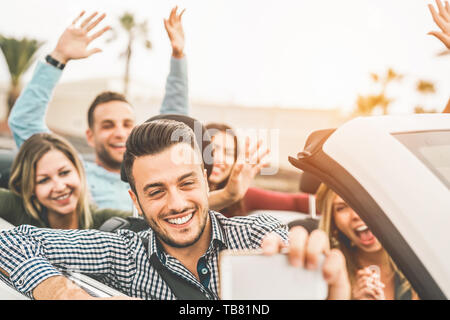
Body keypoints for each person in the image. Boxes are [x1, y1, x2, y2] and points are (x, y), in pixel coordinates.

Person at [0, 120, 350, 300]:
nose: (177, 203)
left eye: (186, 183)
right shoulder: (121, 252)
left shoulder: (260, 236)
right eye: (155, 191)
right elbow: (11, 242)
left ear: (206, 181)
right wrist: (60, 291)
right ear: (135, 201)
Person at [8, 8, 189, 211]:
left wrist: (178, 56)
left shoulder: (157, 176)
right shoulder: (72, 175)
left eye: (127, 124)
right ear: (90, 136)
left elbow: (173, 125)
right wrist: (58, 57)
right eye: (107, 125)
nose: (120, 133)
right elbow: (23, 123)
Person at [0, 132, 129, 230]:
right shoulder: (18, 208)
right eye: (44, 180)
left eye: (64, 173)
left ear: (78, 171)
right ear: (30, 188)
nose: (60, 187)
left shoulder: (105, 220)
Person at [316, 183, 418, 300]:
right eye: (342, 208)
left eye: (363, 200)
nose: (356, 215)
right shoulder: (331, 276)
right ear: (334, 224)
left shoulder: (419, 266)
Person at [205, 122, 311, 217]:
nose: (219, 159)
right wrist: (227, 195)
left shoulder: (240, 195)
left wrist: (326, 194)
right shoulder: (190, 194)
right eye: (212, 149)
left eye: (228, 153)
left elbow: (294, 202)